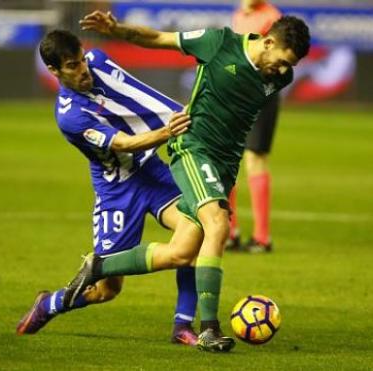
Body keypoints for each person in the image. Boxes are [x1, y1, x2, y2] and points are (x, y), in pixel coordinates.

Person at [63, 11, 310, 352]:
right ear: (267, 42)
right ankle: (208, 328)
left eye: (289, 65)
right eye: (282, 61)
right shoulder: (218, 43)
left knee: (181, 253)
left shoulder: (280, 77)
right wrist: (116, 30)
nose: (284, 71)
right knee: (218, 227)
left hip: (224, 165)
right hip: (194, 149)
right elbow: (158, 39)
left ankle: (100, 264)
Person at [15, 30, 199, 346]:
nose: (83, 69)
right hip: (117, 190)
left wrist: (175, 114)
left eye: (82, 59)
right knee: (107, 290)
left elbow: (136, 96)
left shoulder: (98, 62)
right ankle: (51, 304)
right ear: (54, 71)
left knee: (194, 232)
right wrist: (168, 132)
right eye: (72, 65)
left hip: (151, 172)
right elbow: (124, 143)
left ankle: (183, 325)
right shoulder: (70, 116)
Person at [227, 0, 283, 253]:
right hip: (237, 93)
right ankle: (229, 231)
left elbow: (280, 60)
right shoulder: (239, 15)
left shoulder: (271, 17)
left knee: (254, 158)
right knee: (227, 157)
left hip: (261, 91)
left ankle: (262, 237)